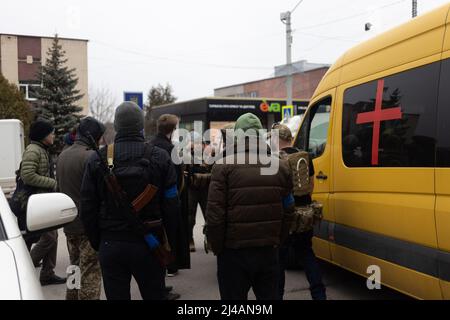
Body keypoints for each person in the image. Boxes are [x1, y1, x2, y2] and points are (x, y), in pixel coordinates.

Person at [80, 101, 181, 300]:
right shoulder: (160, 157)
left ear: (116, 126)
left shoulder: (97, 158)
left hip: (111, 243)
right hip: (149, 244)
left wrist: (98, 242)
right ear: (141, 125)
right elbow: (172, 206)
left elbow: (87, 207)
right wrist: (171, 245)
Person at [205, 113, 295, 300]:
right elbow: (288, 209)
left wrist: (218, 247)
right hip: (268, 252)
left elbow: (214, 215)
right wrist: (278, 239)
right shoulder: (281, 166)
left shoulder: (222, 167)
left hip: (233, 253)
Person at [274, 124, 327, 300]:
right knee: (307, 255)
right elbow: (311, 184)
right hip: (305, 215)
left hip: (285, 217)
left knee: (279, 261)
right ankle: (319, 295)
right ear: (290, 138)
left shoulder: (275, 158)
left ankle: (277, 297)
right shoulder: (305, 156)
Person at [56, 117, 105, 300]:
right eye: (100, 137)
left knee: (74, 267)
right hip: (88, 226)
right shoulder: (91, 157)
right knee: (90, 271)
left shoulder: (63, 155)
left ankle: (71, 297)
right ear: (93, 136)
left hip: (69, 224)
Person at [21, 118, 66, 286]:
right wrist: (52, 183)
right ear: (42, 135)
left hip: (43, 200)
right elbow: (27, 175)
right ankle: (24, 266)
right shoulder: (34, 150)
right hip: (37, 202)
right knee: (50, 237)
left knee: (52, 235)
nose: (53, 135)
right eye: (50, 132)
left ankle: (47, 274)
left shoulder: (41, 149)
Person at [150, 114, 190, 297]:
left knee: (154, 242)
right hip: (168, 202)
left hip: (150, 203)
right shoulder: (170, 150)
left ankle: (158, 280)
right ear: (173, 130)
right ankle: (166, 272)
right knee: (168, 240)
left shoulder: (149, 146)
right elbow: (177, 181)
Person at [185, 131, 212, 252]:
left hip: (205, 189)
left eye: (199, 143)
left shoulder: (209, 155)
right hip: (191, 189)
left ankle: (210, 239)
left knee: (209, 215)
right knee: (190, 217)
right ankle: (189, 239)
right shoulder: (185, 156)